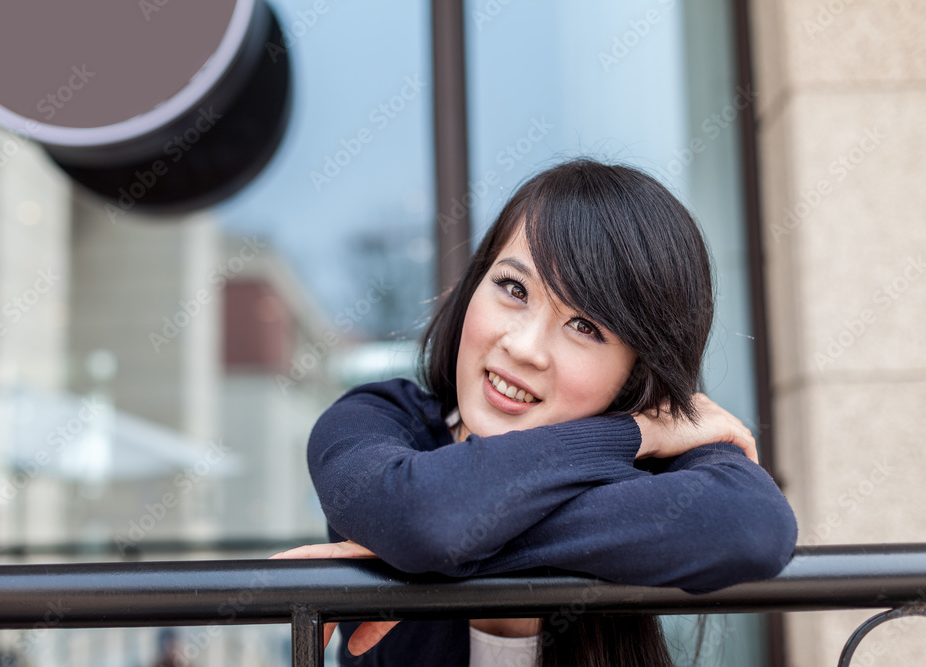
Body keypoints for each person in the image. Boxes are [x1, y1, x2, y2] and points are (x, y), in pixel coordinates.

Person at [271, 158, 798, 666]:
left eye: (586, 326)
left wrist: (431, 558)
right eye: (513, 288)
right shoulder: (381, 419)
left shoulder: (671, 458)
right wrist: (633, 432)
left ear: (636, 372)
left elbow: (755, 531)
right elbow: (425, 516)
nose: (524, 347)